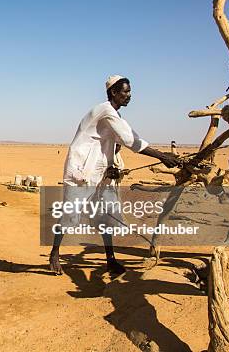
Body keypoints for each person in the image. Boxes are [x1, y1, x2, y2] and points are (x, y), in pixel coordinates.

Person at [49, 75, 181, 275]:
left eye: (129, 91)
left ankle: (110, 260)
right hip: (82, 171)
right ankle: (54, 253)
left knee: (105, 216)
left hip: (100, 173)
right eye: (125, 91)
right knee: (70, 215)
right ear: (113, 92)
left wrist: (110, 166)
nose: (129, 95)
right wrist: (162, 156)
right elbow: (130, 140)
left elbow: (123, 140)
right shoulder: (106, 112)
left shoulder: (115, 116)